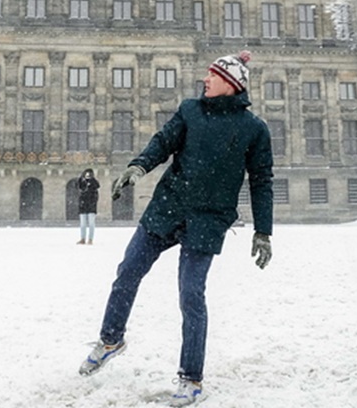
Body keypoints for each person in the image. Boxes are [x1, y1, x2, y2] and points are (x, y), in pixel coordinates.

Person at [79, 50, 274, 407]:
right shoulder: (190, 110)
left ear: (230, 85)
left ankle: (191, 378)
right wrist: (138, 167)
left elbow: (262, 180)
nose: (205, 79)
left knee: (191, 296)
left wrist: (264, 230)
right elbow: (163, 142)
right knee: (127, 272)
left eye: (212, 76)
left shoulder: (254, 129)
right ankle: (110, 340)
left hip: (208, 219)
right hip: (167, 208)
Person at [76, 168, 100, 245]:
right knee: (82, 224)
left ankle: (90, 239)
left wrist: (91, 179)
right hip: (83, 206)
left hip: (91, 207)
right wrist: (81, 177)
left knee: (91, 224)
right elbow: (77, 185)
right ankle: (83, 238)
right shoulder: (82, 183)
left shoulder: (94, 185)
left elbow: (97, 188)